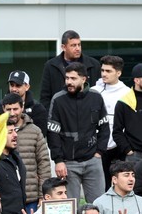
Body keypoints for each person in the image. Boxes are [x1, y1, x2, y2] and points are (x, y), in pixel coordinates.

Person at [47, 62, 110, 201]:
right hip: (68, 162)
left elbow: (104, 127)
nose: (69, 82)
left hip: (93, 160)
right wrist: (58, 160)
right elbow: (52, 132)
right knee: (69, 207)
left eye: (73, 78)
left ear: (83, 79)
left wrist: (99, 152)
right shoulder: (58, 99)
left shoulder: (96, 97)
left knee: (98, 205)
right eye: (67, 78)